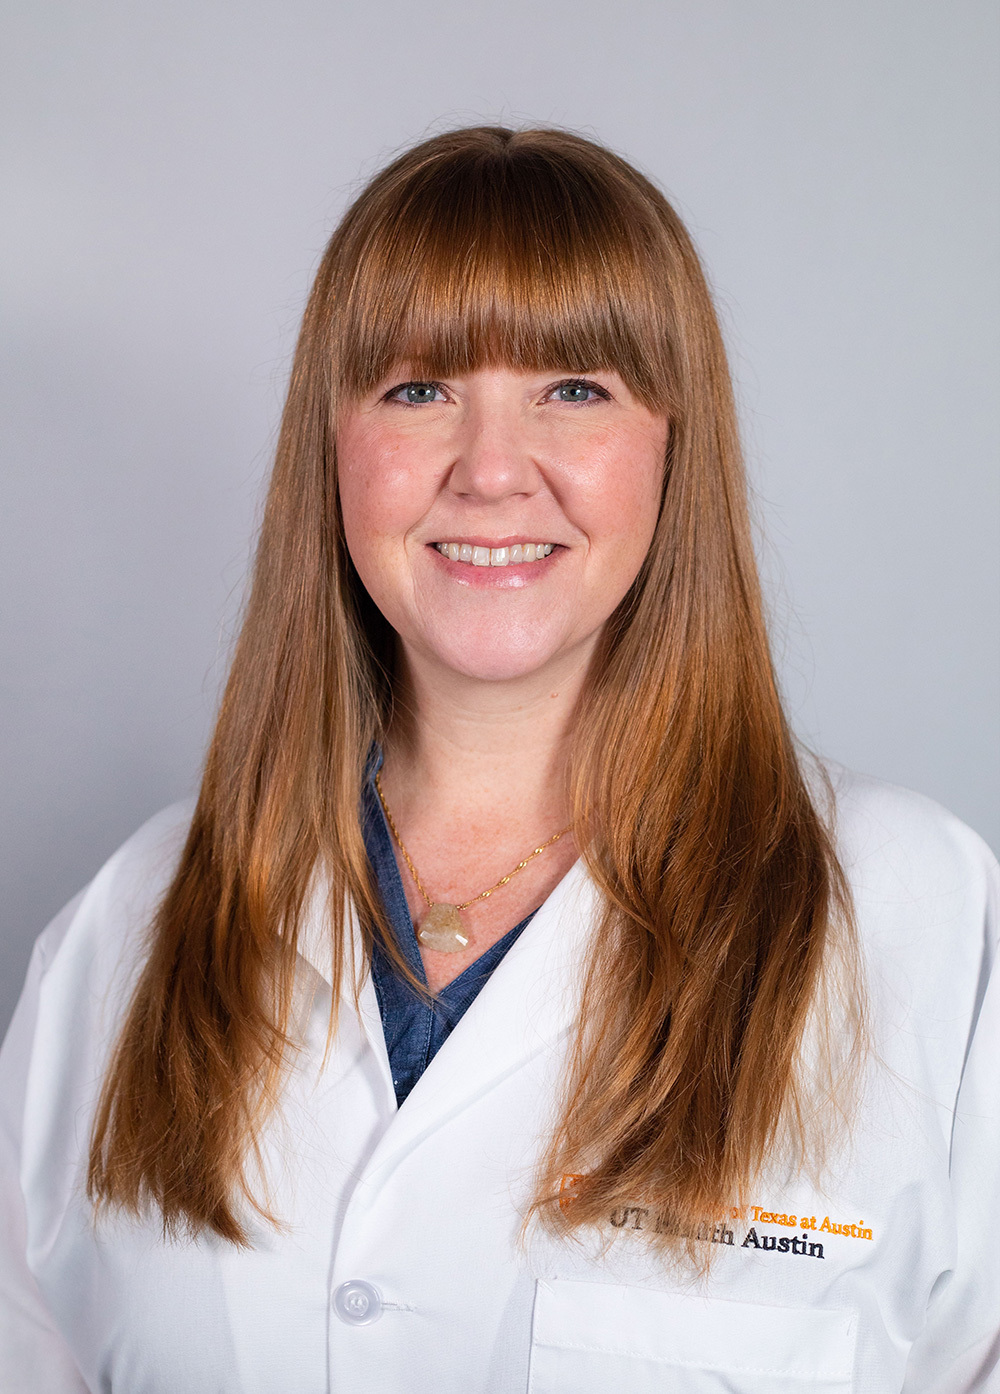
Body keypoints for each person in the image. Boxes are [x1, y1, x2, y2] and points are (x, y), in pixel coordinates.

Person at [0, 125, 996, 1394]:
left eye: (572, 389)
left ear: (670, 447)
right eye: (417, 389)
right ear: (334, 445)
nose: (489, 470)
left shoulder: (919, 922)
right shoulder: (128, 929)